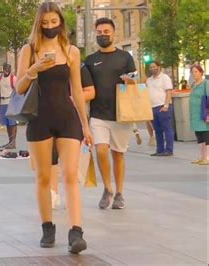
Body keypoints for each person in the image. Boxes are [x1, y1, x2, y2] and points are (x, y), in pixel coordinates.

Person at [16, 2, 92, 254]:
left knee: (70, 175)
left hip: (67, 117)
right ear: (39, 24)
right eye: (45, 23)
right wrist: (33, 69)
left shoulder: (71, 50)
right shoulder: (29, 49)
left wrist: (85, 124)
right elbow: (19, 88)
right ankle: (47, 226)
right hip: (39, 118)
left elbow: (77, 91)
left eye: (53, 22)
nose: (49, 27)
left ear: (61, 22)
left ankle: (76, 231)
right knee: (43, 177)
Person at [85, 17, 136, 210]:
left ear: (114, 33)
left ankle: (120, 193)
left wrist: (129, 80)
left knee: (118, 154)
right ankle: (107, 188)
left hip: (121, 114)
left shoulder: (125, 57)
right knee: (101, 150)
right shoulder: (90, 60)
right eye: (99, 32)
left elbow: (134, 78)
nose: (102, 35)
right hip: (98, 114)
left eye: (106, 32)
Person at [48, 63, 96, 209]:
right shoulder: (45, 61)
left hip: (72, 116)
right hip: (48, 115)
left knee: (71, 160)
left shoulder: (79, 67)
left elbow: (90, 92)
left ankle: (71, 195)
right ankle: (52, 193)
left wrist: (70, 98)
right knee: (51, 156)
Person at [146, 61, 174, 156]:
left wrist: (166, 105)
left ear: (159, 67)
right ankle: (160, 150)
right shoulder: (149, 80)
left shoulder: (164, 78)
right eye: (151, 67)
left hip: (163, 106)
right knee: (157, 130)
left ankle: (169, 150)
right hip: (153, 107)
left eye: (154, 66)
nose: (152, 68)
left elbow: (169, 91)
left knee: (167, 129)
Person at [189, 64, 209, 165]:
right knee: (199, 135)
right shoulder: (193, 84)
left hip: (204, 113)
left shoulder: (206, 83)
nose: (194, 74)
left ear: (201, 72)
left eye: (196, 71)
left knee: (206, 135)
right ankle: (201, 157)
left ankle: (207, 157)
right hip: (195, 114)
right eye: (192, 72)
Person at [0, 64, 18, 149]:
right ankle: (9, 142)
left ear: (10, 69)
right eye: (5, 69)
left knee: (12, 123)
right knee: (7, 123)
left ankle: (13, 142)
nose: (6, 70)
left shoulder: (13, 78)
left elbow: (18, 90)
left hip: (11, 101)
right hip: (3, 102)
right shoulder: (0, 78)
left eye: (8, 69)